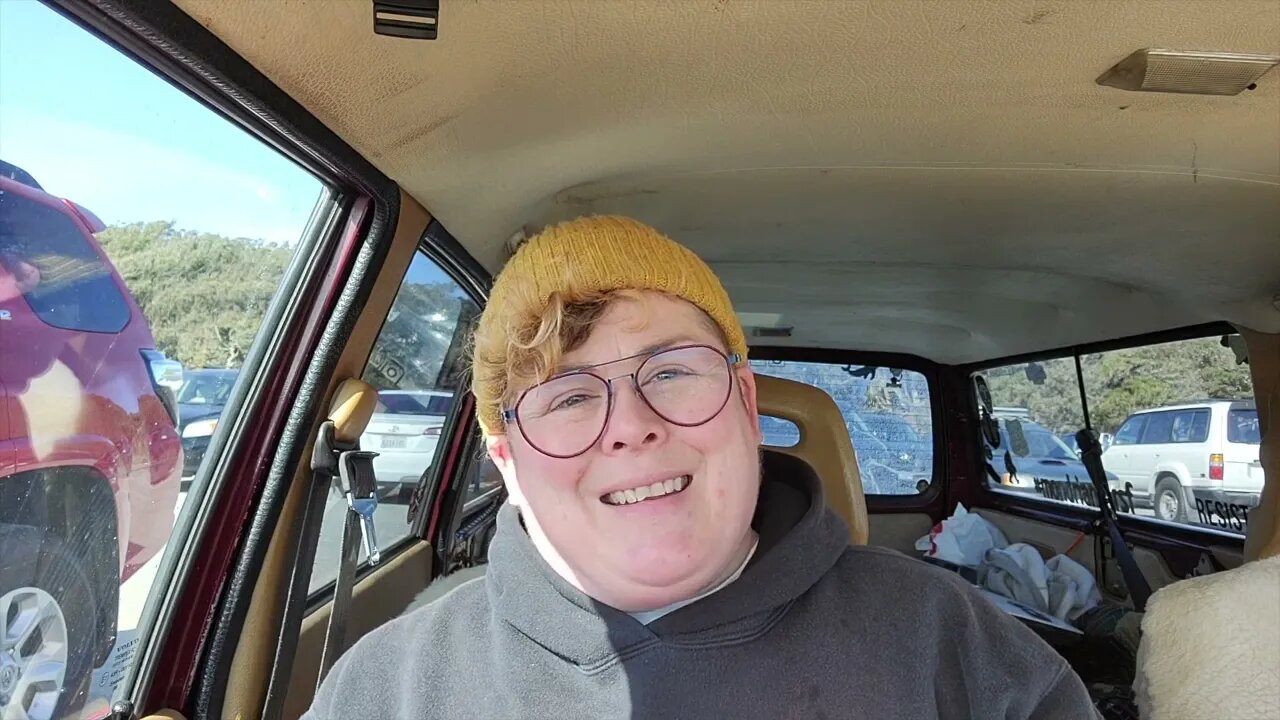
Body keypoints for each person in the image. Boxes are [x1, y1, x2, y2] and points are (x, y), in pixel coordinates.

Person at [305, 215, 1098, 719]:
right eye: (569, 398)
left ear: (747, 405)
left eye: (673, 371)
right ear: (507, 460)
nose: (631, 428)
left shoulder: (948, 637)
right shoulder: (388, 689)